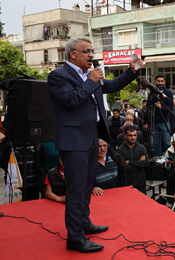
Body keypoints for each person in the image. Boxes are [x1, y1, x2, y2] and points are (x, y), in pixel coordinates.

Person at [47, 37, 142, 253]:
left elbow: (114, 85)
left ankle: (84, 223)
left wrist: (131, 70)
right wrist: (90, 80)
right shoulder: (58, 76)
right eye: (86, 51)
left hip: (91, 139)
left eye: (92, 51)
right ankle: (75, 238)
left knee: (87, 186)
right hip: (74, 142)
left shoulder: (91, 76)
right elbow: (71, 100)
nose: (91, 55)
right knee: (76, 190)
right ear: (72, 54)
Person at [117, 125, 149, 194]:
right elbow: (124, 168)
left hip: (141, 185)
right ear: (125, 136)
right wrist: (139, 164)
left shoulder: (141, 147)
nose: (133, 138)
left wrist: (130, 163)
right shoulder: (120, 150)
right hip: (128, 186)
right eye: (130, 135)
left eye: (135, 135)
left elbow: (146, 163)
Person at [147, 74, 174, 157]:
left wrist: (161, 107)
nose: (160, 83)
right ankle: (157, 158)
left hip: (164, 121)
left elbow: (171, 107)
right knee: (156, 143)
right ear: (155, 82)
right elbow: (147, 106)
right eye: (158, 81)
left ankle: (169, 159)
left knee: (167, 142)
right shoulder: (152, 92)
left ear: (164, 82)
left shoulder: (168, 93)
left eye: (162, 81)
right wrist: (149, 111)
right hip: (154, 121)